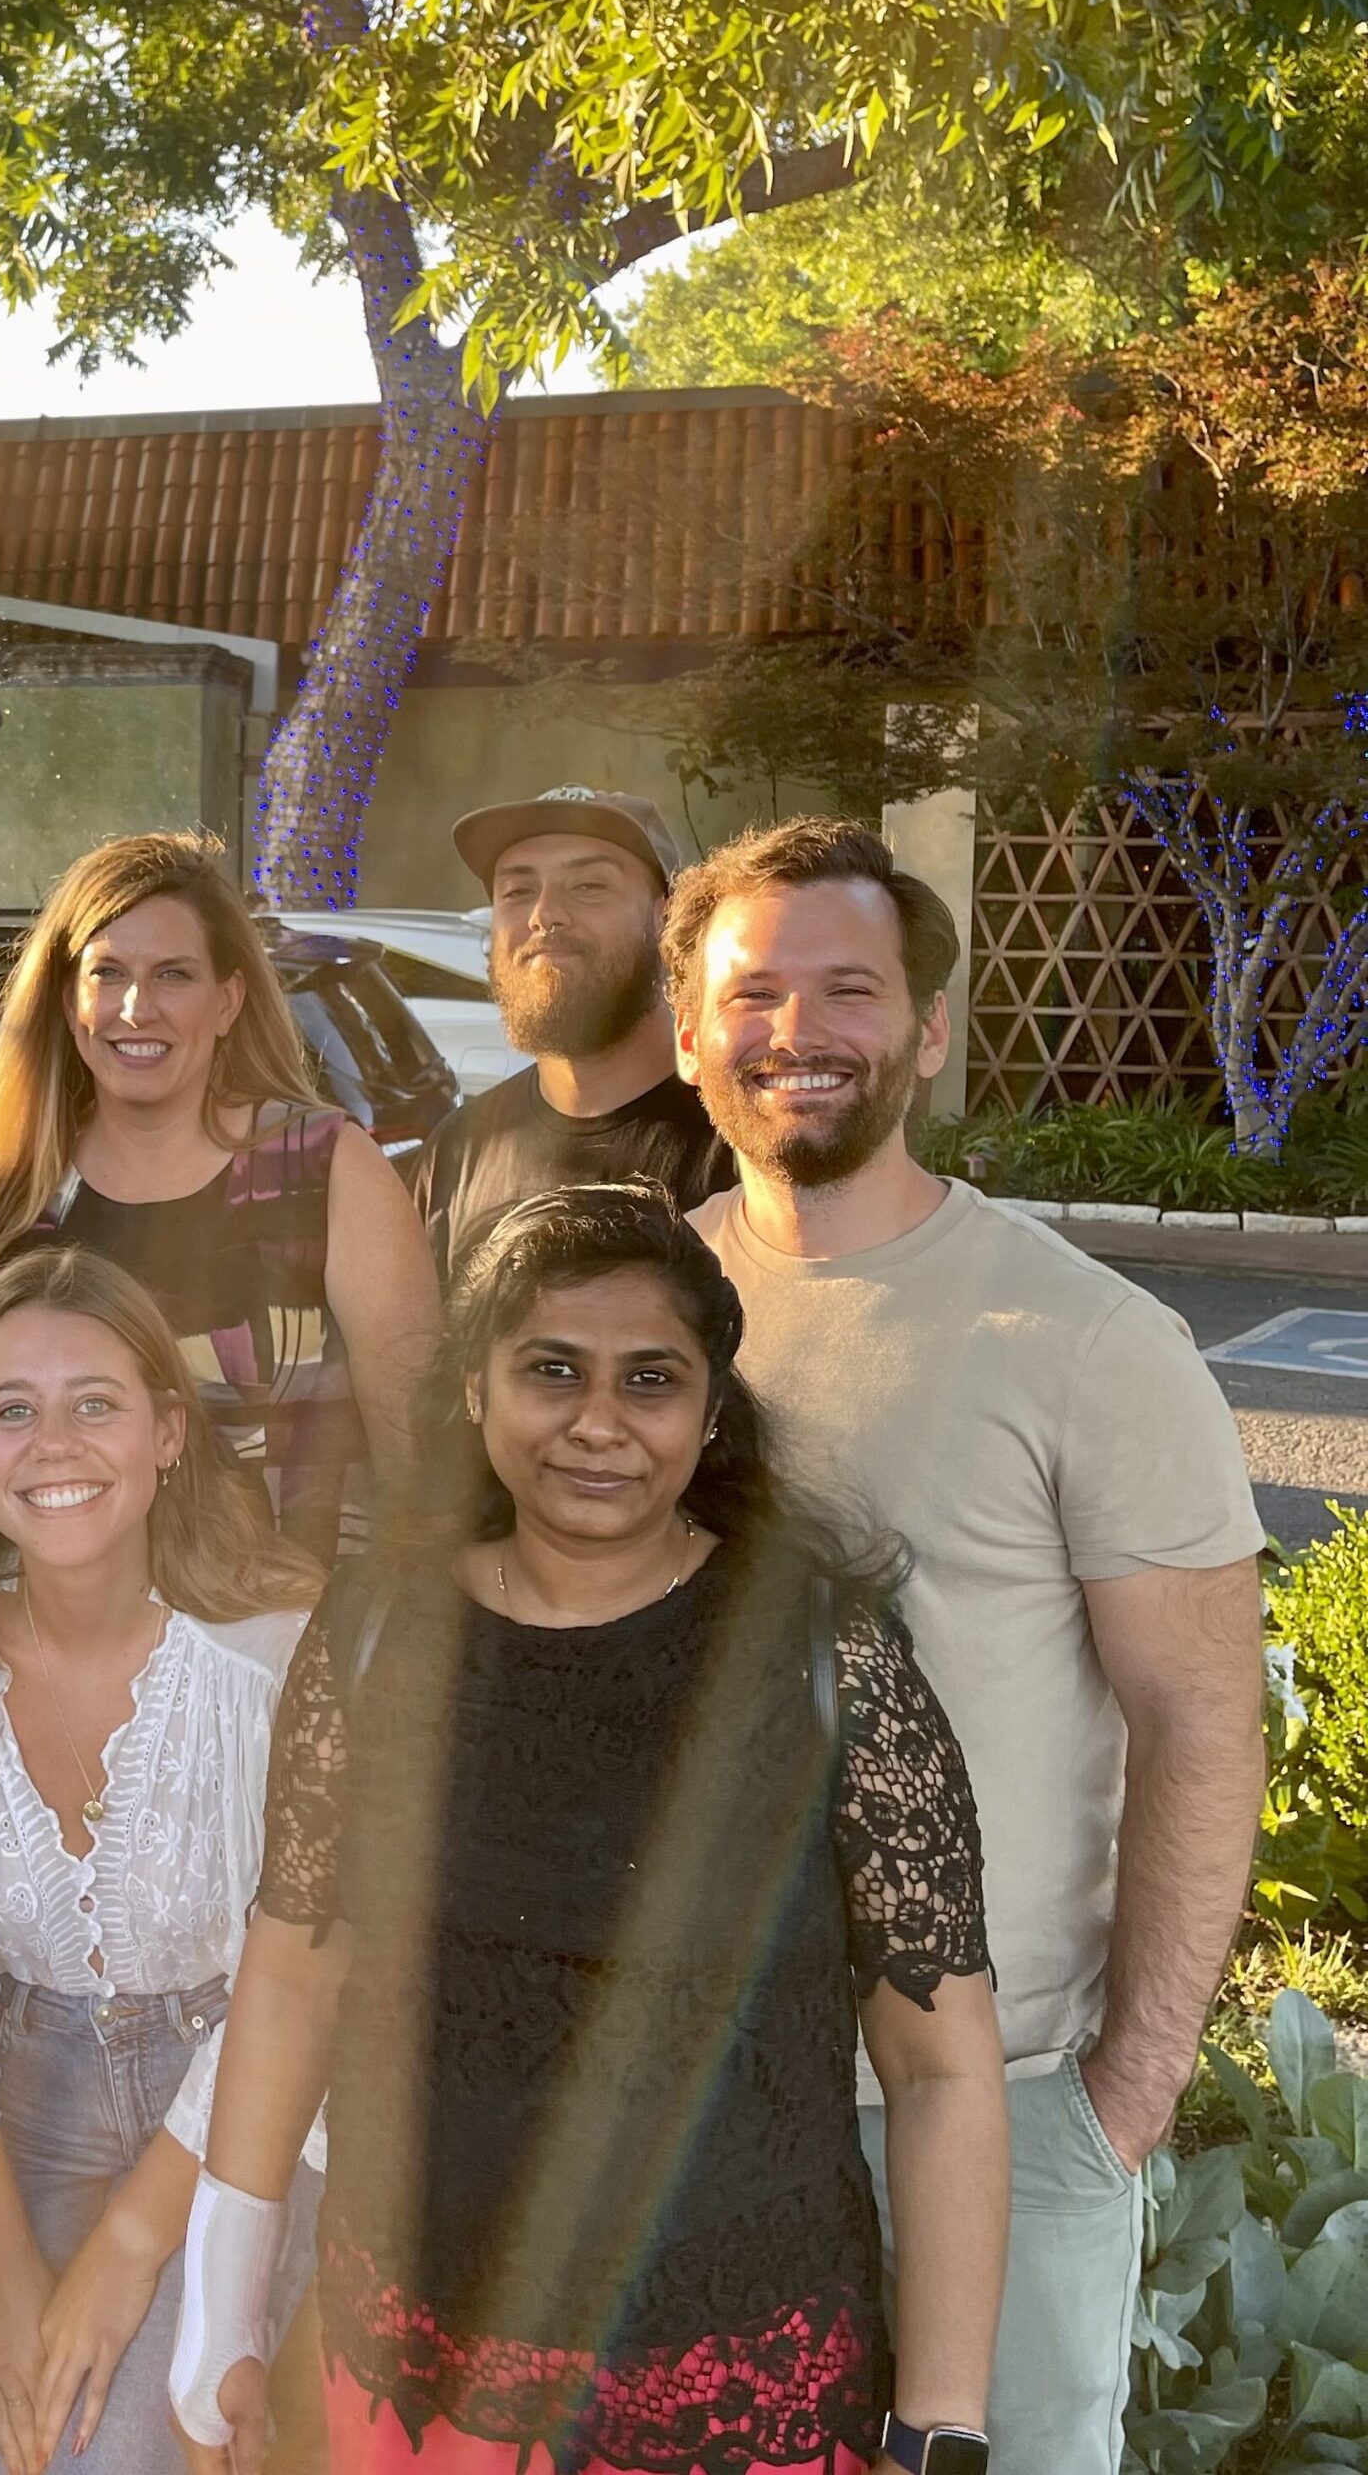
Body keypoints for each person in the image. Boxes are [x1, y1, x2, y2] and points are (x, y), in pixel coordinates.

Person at [173, 1186, 1009, 2475]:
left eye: (650, 1379)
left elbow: (942, 2063)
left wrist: (940, 2430)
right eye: (551, 1371)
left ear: (711, 1409)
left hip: (738, 2390)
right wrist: (219, 2310)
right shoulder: (378, 1631)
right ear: (474, 1389)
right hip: (406, 2370)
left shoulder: (815, 1653)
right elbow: (294, 1967)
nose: (598, 1423)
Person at [665, 815, 1266, 2475]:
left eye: (848, 989)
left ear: (930, 1029)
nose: (797, 1033)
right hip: (690, 2120)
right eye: (754, 992)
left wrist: (1117, 2101)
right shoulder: (634, 1323)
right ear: (688, 1033)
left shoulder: (1085, 1340)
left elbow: (1203, 1724)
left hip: (991, 2117)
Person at [0, 1247, 327, 2475]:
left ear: (166, 1431)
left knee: (157, 2445)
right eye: (14, 1410)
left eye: (94, 1403)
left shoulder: (283, 1660)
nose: (54, 1444)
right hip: (1, 2096)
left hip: (252, 2083)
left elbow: (309, 1982)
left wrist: (125, 2250)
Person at [0, 831, 438, 1563]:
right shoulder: (13, 1197)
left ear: (228, 999)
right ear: (70, 1002)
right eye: (108, 973)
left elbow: (417, 1453)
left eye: (174, 974)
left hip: (304, 1637)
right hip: (74, 1646)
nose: (137, 1009)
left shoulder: (326, 1171)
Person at [413, 787, 730, 1276]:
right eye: (518, 891)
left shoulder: (741, 1141)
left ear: (665, 917)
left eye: (589, 886)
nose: (545, 915)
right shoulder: (458, 1151)